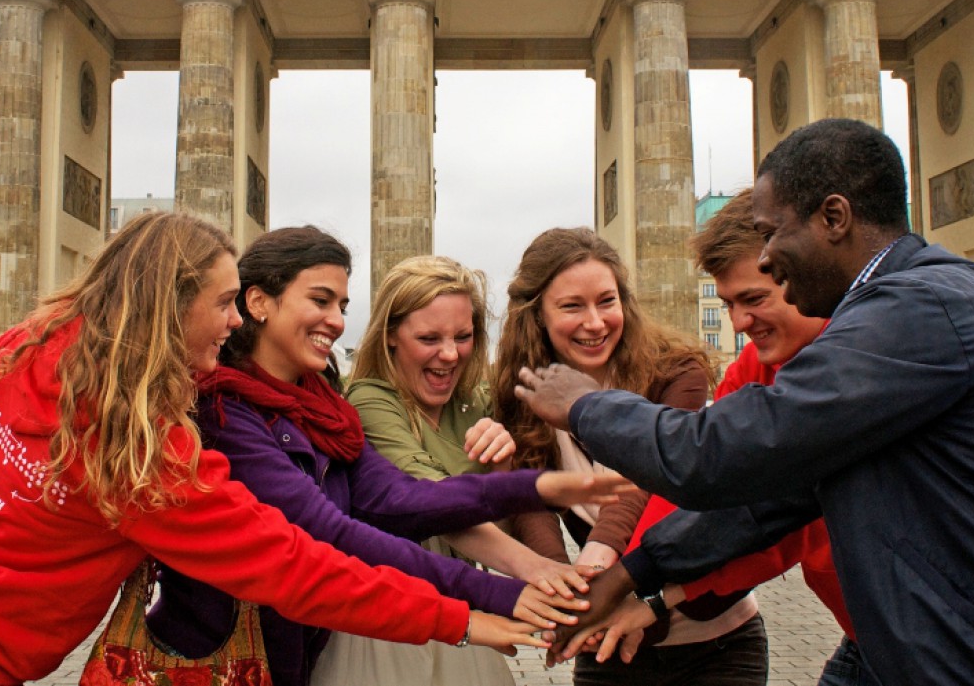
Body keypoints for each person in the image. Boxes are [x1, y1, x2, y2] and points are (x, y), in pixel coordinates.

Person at [515, 118, 974, 686]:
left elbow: (721, 453)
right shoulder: (902, 307)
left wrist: (585, 406)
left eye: (771, 234)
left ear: (834, 218)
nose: (766, 257)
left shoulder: (916, 309)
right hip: (961, 640)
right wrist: (636, 573)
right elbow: (771, 498)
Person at [0, 211, 546, 686]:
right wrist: (460, 619)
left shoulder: (29, 340)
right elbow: (290, 564)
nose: (234, 320)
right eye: (223, 303)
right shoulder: (143, 450)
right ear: (170, 304)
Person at [149, 229, 622, 686]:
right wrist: (495, 593)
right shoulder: (224, 413)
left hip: (295, 648)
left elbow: (398, 498)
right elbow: (331, 533)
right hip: (224, 656)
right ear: (258, 303)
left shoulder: (325, 408)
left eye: (341, 305)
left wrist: (527, 486)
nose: (337, 321)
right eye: (320, 300)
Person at [549, 191, 866, 684]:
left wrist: (639, 586)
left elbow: (775, 521)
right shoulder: (755, 366)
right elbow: (698, 481)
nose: (737, 323)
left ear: (807, 270)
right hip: (869, 630)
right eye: (728, 304)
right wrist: (639, 585)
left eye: (754, 299)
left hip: (939, 634)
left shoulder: (858, 366)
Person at [492, 227, 768, 686]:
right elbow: (530, 502)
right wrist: (564, 594)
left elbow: (645, 481)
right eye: (572, 306)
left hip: (714, 639)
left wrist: (599, 581)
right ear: (537, 314)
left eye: (607, 301)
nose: (595, 322)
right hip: (604, 638)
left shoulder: (675, 371)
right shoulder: (524, 392)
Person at [328, 254, 594, 685]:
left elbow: (500, 523)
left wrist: (501, 467)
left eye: (464, 336)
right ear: (390, 335)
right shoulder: (369, 399)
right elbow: (434, 508)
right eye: (429, 338)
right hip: (395, 616)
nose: (450, 354)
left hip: (460, 602)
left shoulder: (474, 400)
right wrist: (536, 570)